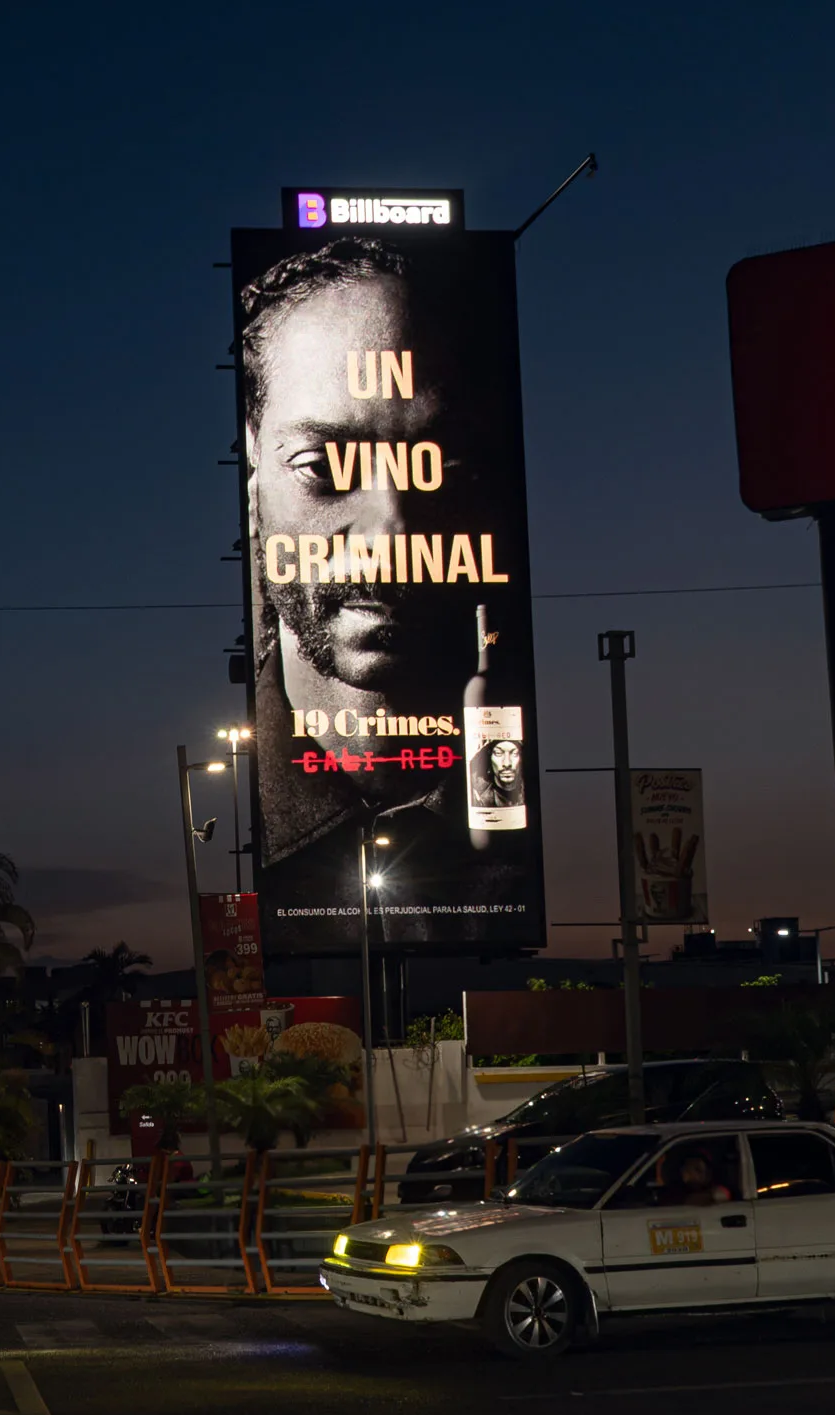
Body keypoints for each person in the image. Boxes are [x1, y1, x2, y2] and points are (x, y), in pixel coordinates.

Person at [239, 236, 537, 946]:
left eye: (442, 468)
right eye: (323, 464)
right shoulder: (262, 833)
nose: (392, 533)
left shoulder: (512, 839)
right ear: (253, 460)